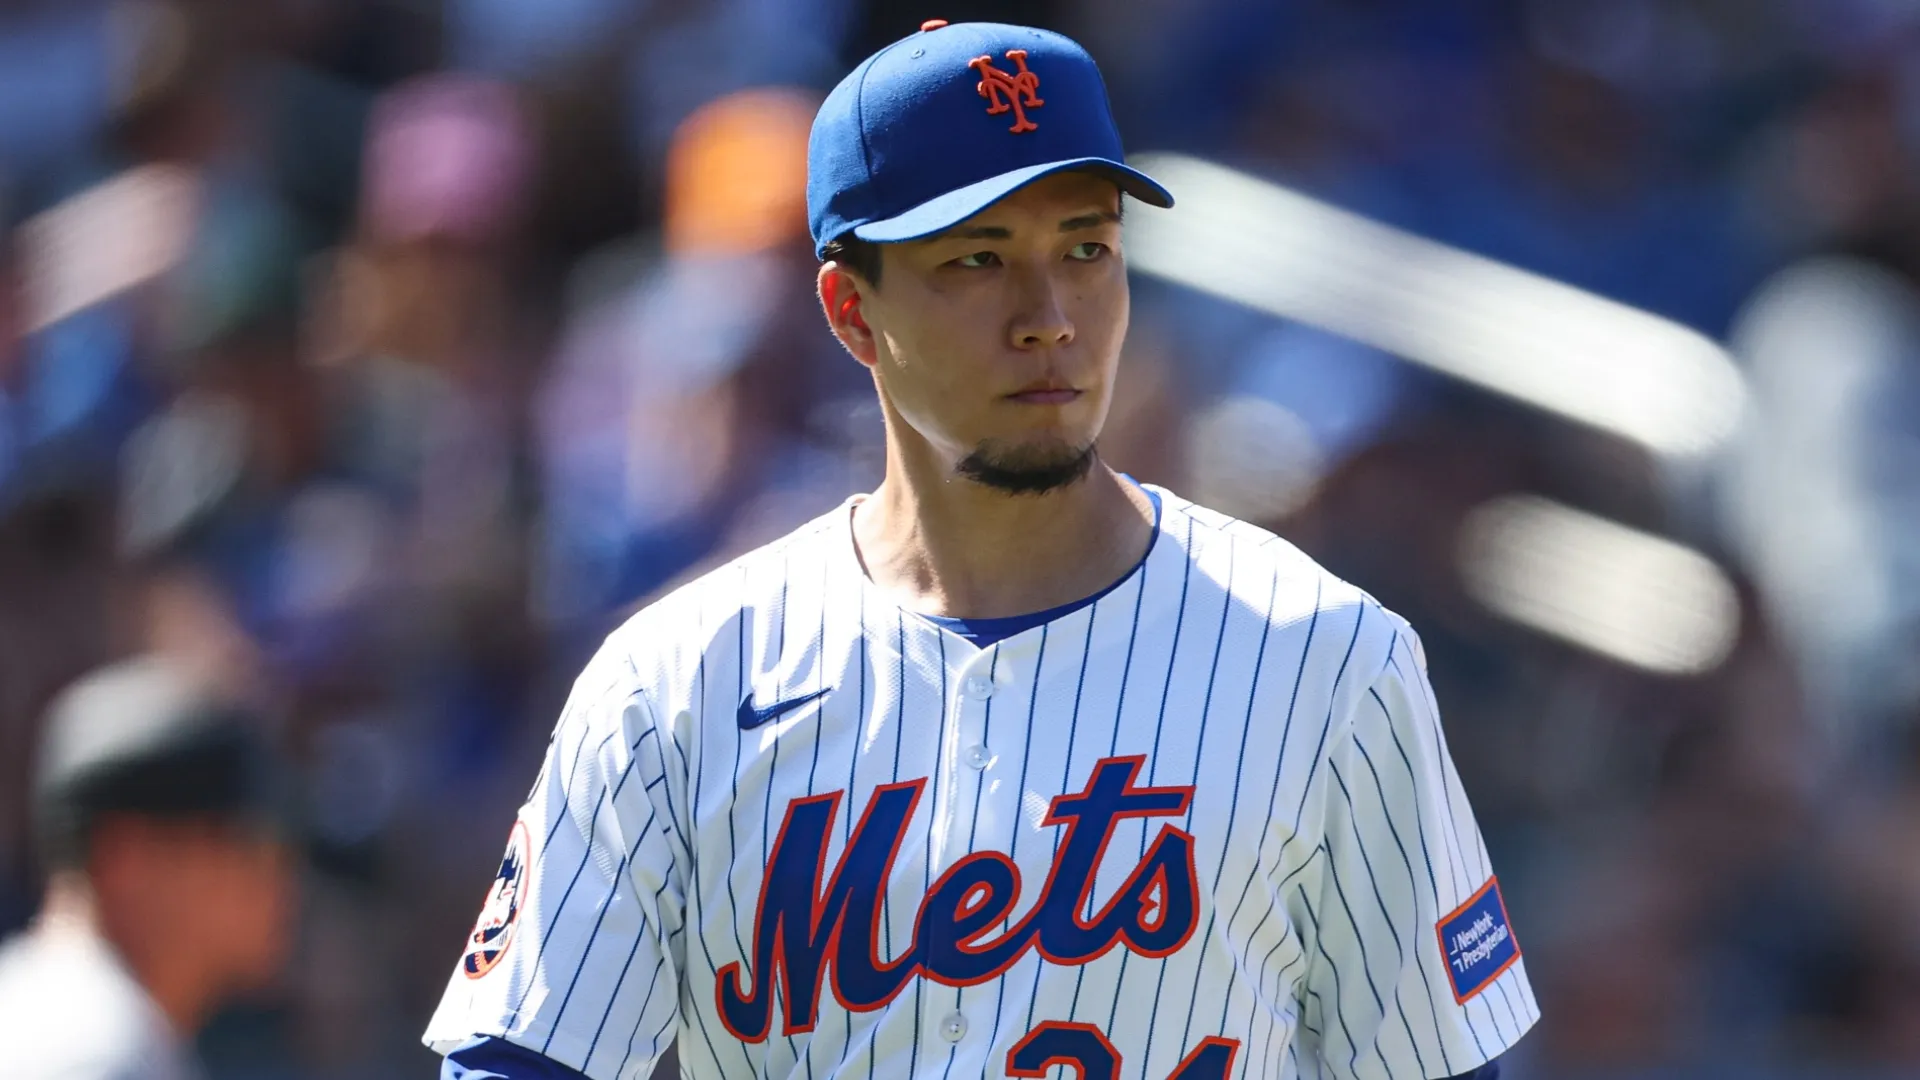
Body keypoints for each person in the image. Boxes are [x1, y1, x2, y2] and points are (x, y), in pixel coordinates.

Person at [423, 21, 1536, 1080]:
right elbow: (515, 1055)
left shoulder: (1328, 659)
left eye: (1087, 247)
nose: (1049, 313)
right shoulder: (673, 684)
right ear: (851, 313)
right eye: (977, 259)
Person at [0, 655, 296, 1079]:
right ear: (128, 859)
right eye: (246, 842)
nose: (278, 875)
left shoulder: (75, 1018)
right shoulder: (92, 1048)